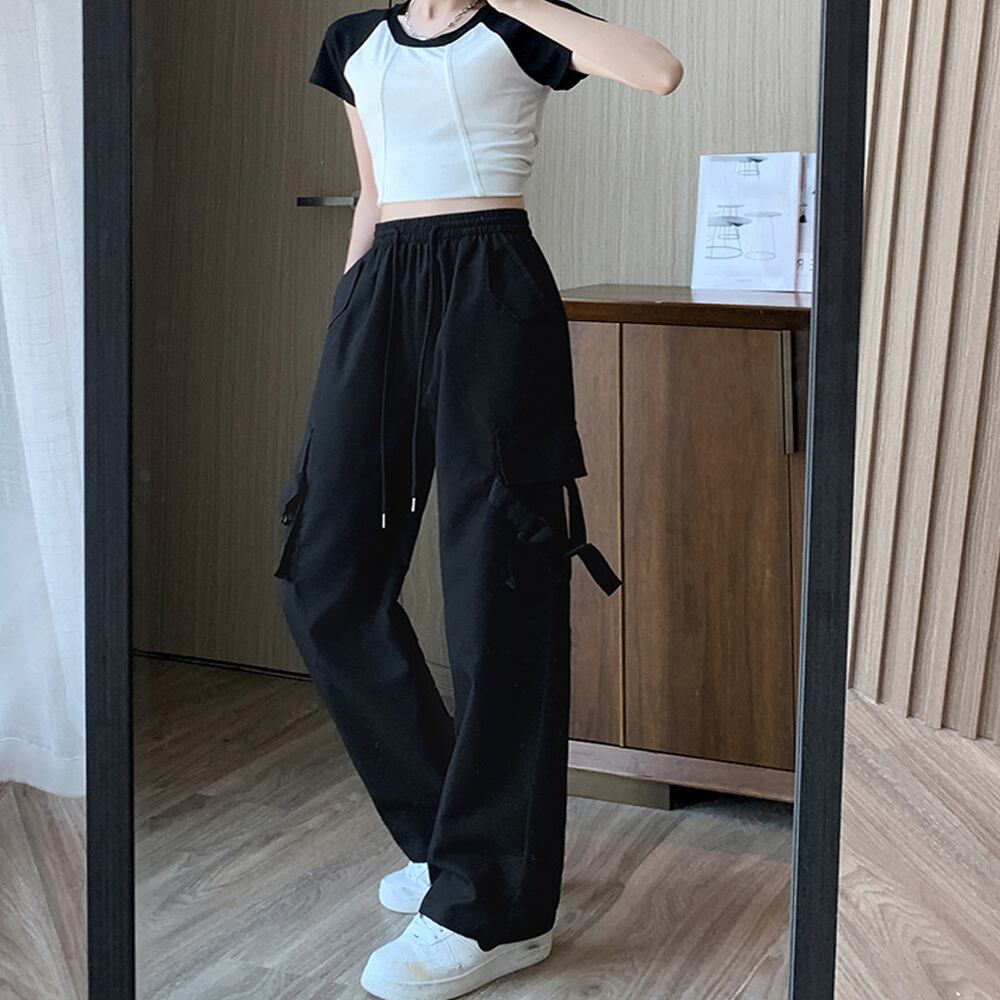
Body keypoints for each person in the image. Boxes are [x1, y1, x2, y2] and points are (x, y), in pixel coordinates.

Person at [273, 2, 682, 997]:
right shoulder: (353, 42)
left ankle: (494, 909)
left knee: (499, 585)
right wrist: (349, 317)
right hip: (383, 288)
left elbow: (658, 70)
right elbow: (375, 192)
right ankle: (456, 842)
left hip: (492, 284)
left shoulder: (517, 25)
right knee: (322, 574)